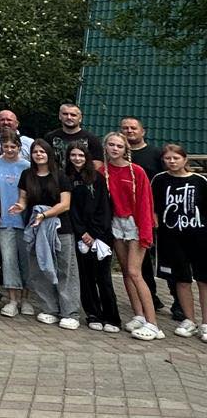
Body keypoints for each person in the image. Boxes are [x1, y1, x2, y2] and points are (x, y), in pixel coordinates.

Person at [11, 139, 83, 331]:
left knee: (65, 269)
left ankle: (70, 313)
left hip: (60, 228)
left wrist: (44, 215)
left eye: (42, 151)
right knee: (39, 268)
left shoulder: (60, 175)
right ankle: (50, 308)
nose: (39, 155)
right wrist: (20, 207)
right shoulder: (27, 175)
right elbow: (23, 199)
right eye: (35, 152)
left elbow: (65, 204)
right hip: (36, 227)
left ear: (49, 154)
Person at [101, 131, 159, 340]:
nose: (115, 149)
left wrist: (145, 231)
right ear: (105, 147)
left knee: (135, 272)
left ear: (126, 149)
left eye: (119, 146)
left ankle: (153, 324)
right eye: (111, 145)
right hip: (116, 224)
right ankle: (139, 315)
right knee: (126, 271)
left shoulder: (137, 171)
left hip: (135, 223)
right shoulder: (102, 171)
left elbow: (145, 202)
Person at [151, 144, 207, 342]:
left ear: (185, 159)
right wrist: (155, 222)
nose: (172, 161)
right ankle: (189, 320)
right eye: (168, 158)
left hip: (200, 237)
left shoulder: (200, 181)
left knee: (204, 280)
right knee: (181, 279)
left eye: (176, 158)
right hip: (172, 238)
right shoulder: (159, 180)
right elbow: (153, 206)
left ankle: (206, 323)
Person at [66, 142, 121, 332]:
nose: (77, 159)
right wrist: (82, 233)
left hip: (100, 235)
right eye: (73, 155)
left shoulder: (97, 178)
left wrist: (94, 232)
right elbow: (71, 210)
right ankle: (93, 314)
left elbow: (104, 208)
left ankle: (112, 318)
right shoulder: (67, 178)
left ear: (87, 157)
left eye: (81, 155)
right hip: (80, 235)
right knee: (85, 277)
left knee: (103, 278)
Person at [121, 115, 170, 317]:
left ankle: (178, 303)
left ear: (143, 131)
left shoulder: (155, 154)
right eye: (125, 128)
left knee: (167, 257)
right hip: (129, 216)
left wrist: (157, 211)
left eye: (133, 128)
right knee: (142, 262)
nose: (129, 131)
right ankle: (151, 297)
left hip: (156, 213)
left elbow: (166, 181)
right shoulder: (119, 155)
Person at [0, 129, 31, 317]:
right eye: (6, 146)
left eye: (13, 146)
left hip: (25, 221)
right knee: (8, 260)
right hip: (4, 221)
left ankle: (26, 299)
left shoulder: (27, 166)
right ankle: (12, 299)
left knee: (26, 261)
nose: (10, 150)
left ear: (19, 147)